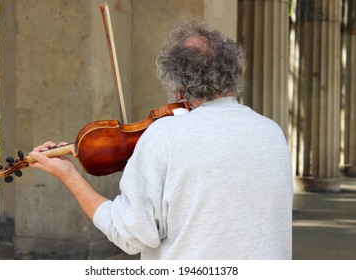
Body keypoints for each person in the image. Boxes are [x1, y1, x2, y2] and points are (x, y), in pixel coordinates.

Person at [29, 20, 293, 260]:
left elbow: (131, 235)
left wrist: (70, 177)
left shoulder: (165, 135)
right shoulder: (271, 132)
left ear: (177, 84)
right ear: (233, 74)